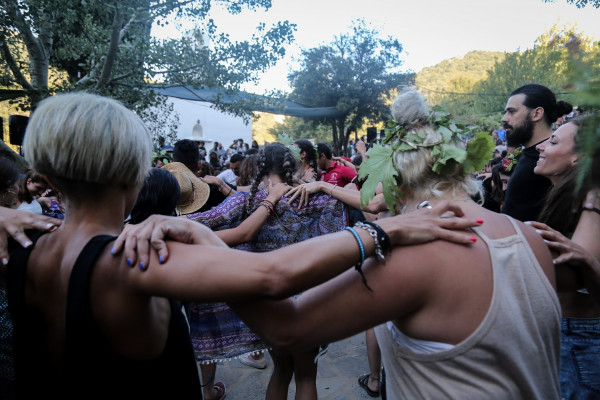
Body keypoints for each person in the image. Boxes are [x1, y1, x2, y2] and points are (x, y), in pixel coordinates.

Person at [5, 92, 484, 399]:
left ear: (47, 175)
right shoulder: (131, 260)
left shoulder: (24, 242)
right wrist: (382, 231)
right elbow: (273, 277)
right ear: (133, 173)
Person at [221, 89, 559, 399]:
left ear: (397, 180)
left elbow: (286, 329)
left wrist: (213, 249)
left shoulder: (415, 258)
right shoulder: (531, 237)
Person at [522, 117, 600, 399]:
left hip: (579, 338)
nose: (541, 147)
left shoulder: (591, 200)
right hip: (563, 334)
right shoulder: (565, 196)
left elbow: (575, 271)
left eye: (553, 141)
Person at [500, 83, 573, 221]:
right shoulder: (525, 155)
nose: (504, 118)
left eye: (512, 111)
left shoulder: (551, 163)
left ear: (537, 114)